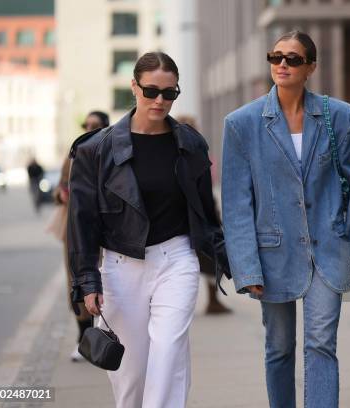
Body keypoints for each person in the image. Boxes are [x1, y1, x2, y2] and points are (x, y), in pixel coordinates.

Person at [67, 51, 229, 407]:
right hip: (121, 267)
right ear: (134, 87)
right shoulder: (95, 150)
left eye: (169, 93)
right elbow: (81, 221)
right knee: (131, 375)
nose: (159, 100)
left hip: (177, 259)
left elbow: (206, 212)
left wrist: (232, 259)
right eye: (151, 91)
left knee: (169, 352)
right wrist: (87, 280)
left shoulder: (191, 144)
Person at [221, 30, 350, 408]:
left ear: (311, 67)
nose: (282, 64)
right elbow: (236, 204)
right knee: (279, 349)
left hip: (327, 251)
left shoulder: (341, 117)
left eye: (293, 58)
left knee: (321, 344)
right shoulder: (241, 123)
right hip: (273, 255)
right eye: (276, 56)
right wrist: (247, 269)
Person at [48, 111, 110, 362]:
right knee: (77, 280)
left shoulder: (111, 148)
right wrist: (61, 194)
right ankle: (84, 338)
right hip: (74, 229)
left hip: (106, 228)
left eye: (95, 124)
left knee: (105, 281)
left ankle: (104, 335)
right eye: (87, 124)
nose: (89, 127)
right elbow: (59, 187)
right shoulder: (74, 153)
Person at [175, 114, 231, 315]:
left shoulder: (198, 149)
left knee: (212, 258)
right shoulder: (174, 153)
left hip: (203, 217)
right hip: (185, 220)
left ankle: (213, 301)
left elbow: (206, 189)